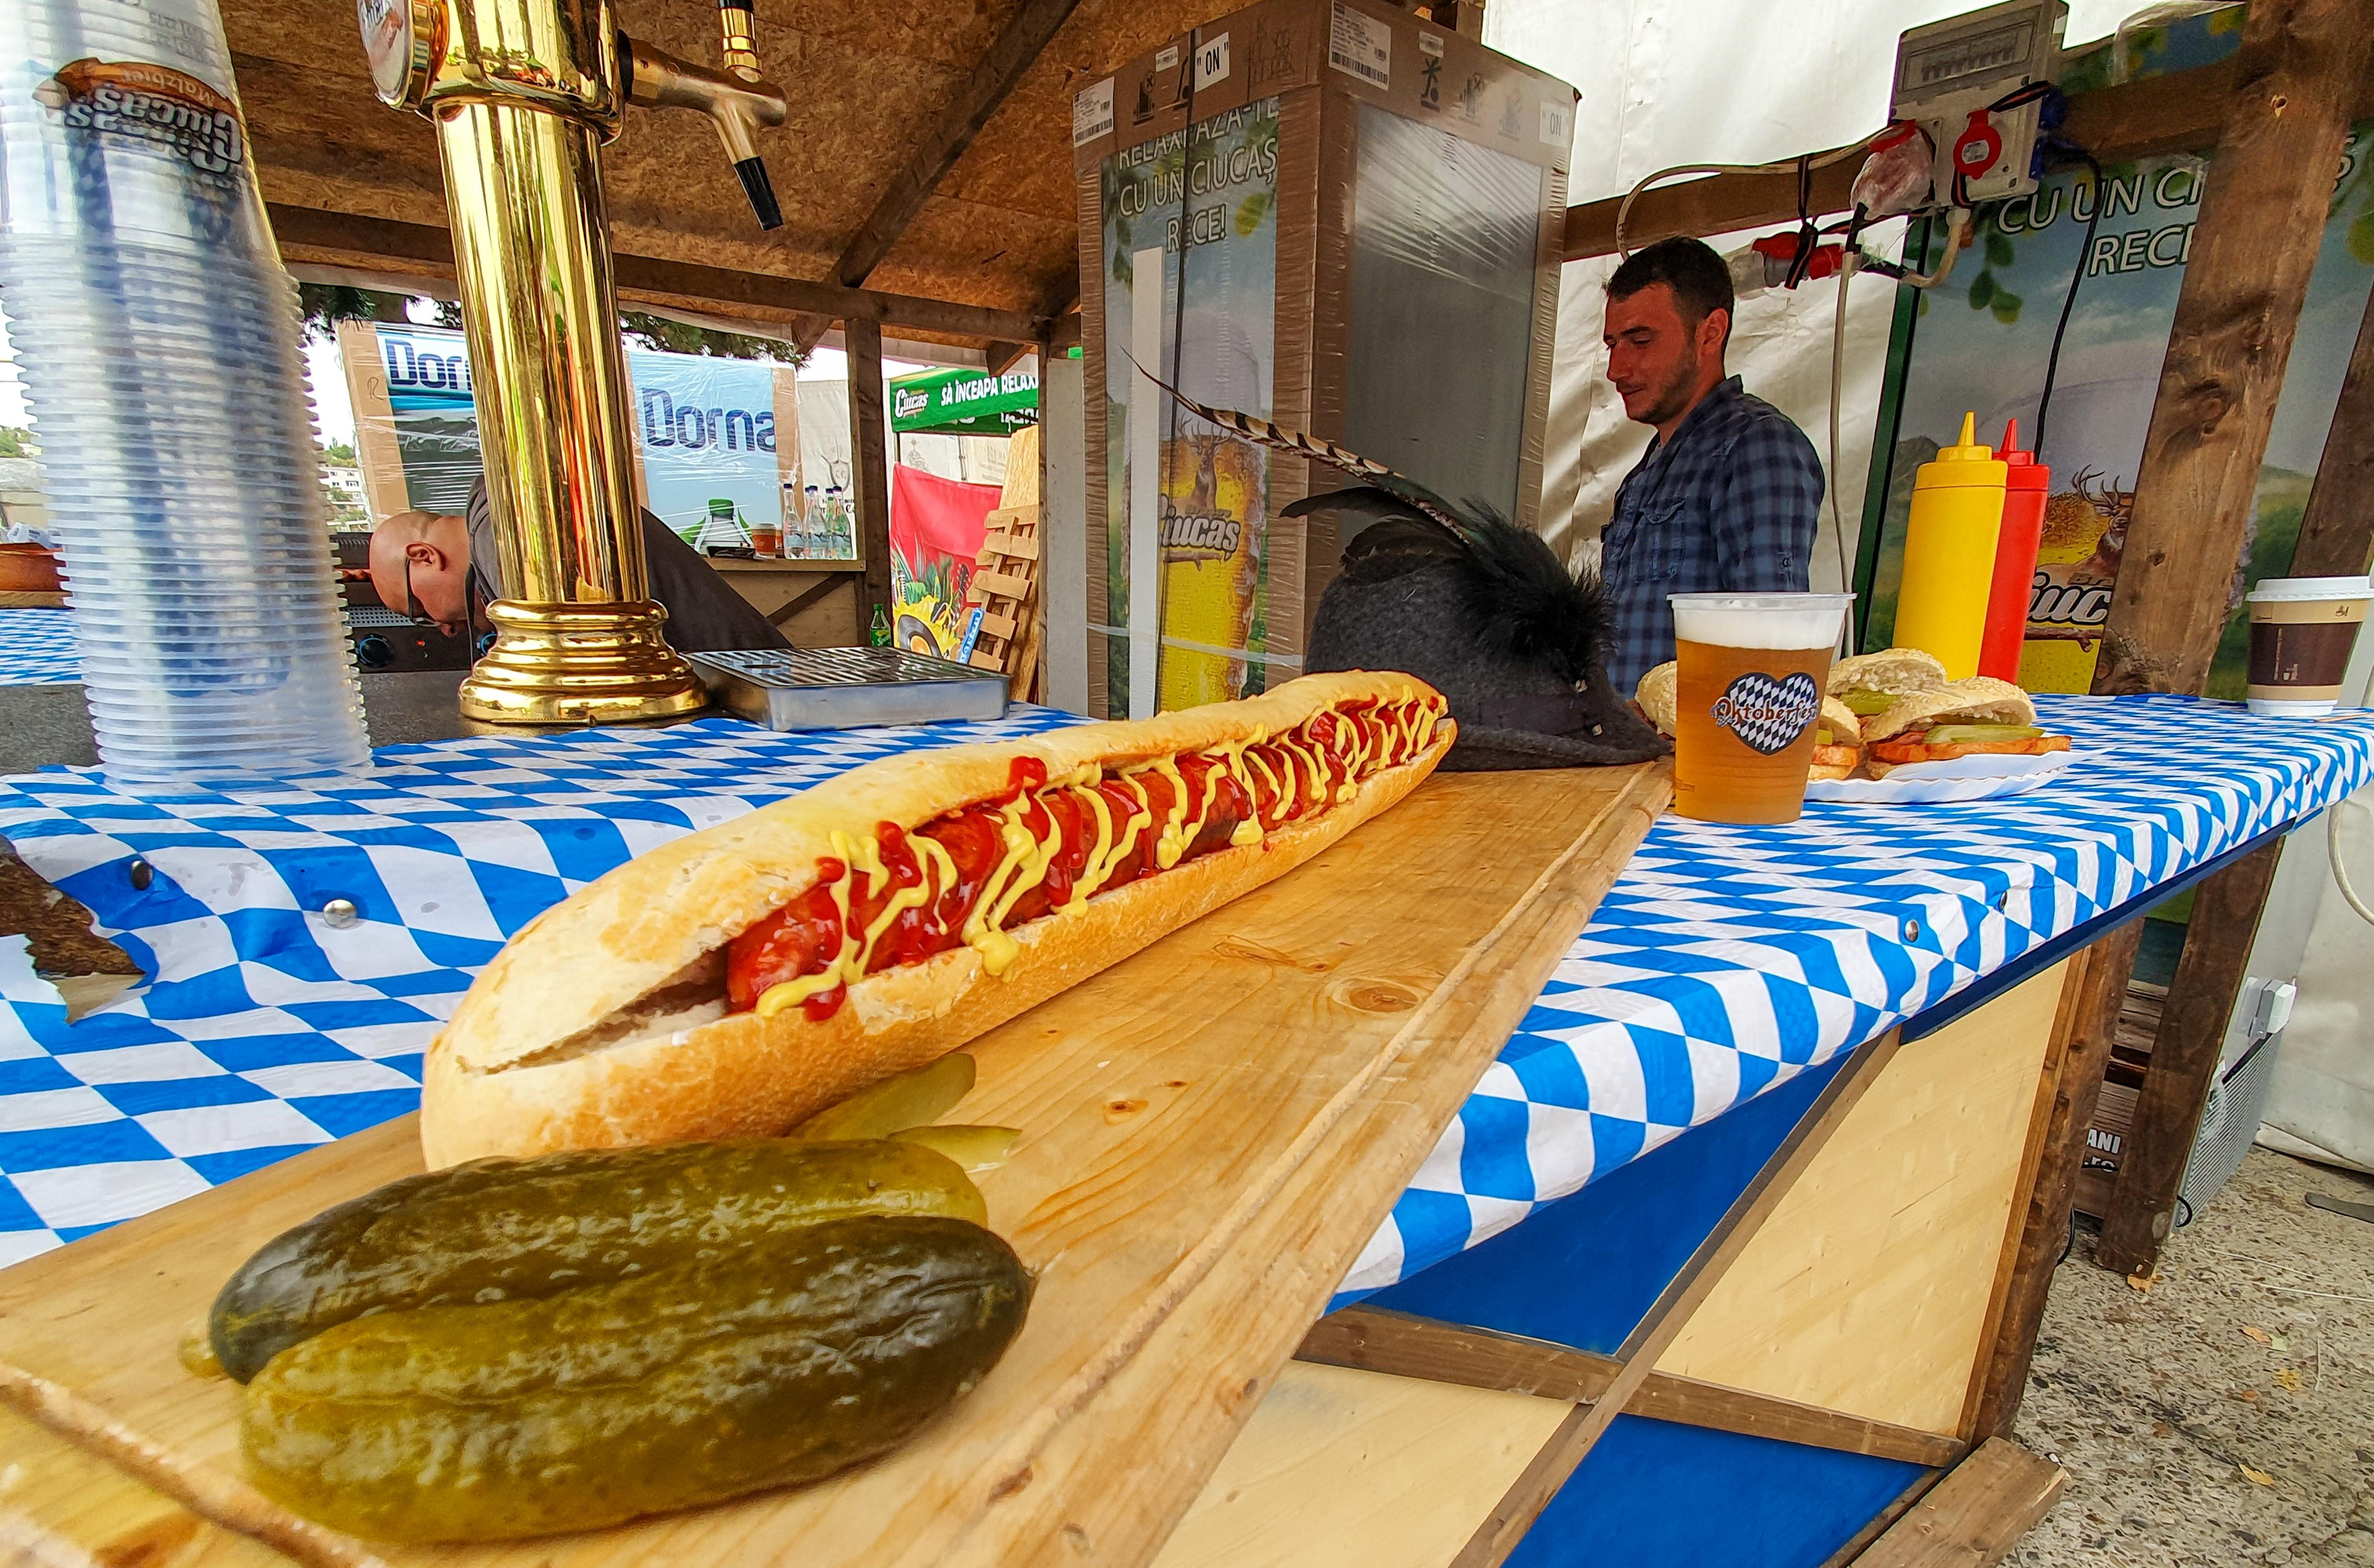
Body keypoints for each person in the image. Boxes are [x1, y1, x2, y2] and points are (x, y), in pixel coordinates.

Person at [1598, 235, 1825, 695]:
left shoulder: (1756, 446)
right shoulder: (1646, 472)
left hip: (1695, 757)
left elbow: (1769, 647)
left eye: (1640, 341)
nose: (1616, 369)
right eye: (1612, 345)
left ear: (1710, 333)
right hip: (1625, 752)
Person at [367, 480, 790, 653]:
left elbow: (579, 676)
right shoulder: (499, 516)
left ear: (423, 557)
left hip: (742, 692)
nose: (444, 627)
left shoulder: (503, 539)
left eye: (422, 612)